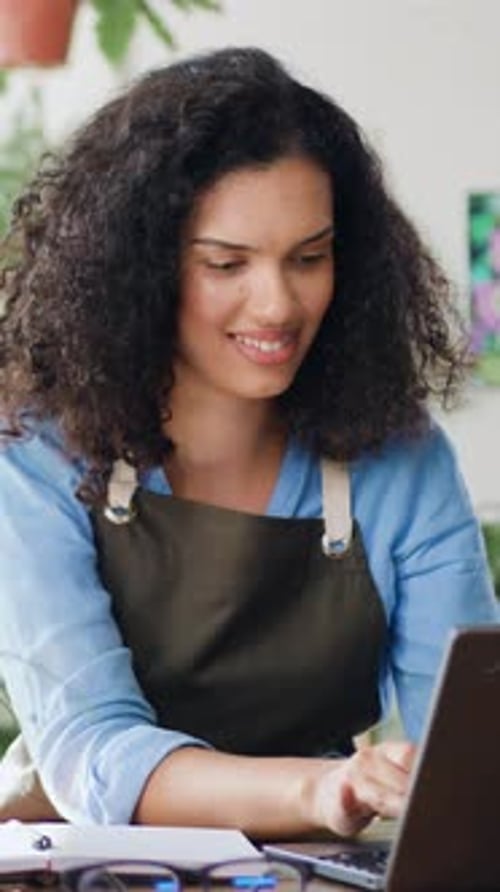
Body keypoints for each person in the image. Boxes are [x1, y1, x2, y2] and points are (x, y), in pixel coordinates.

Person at [0, 46, 497, 838]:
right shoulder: (32, 455)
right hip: (91, 859)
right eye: (227, 263)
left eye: (310, 257)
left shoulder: (399, 459)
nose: (277, 305)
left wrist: (406, 782)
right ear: (142, 268)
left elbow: (470, 741)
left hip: (317, 862)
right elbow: (93, 749)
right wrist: (320, 791)